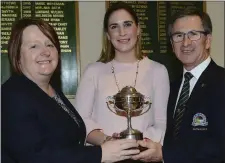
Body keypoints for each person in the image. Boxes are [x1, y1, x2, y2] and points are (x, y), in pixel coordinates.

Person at [1, 18, 141, 163]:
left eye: (50, 44)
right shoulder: (11, 95)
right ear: (17, 56)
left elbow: (68, 141)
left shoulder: (52, 91)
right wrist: (100, 154)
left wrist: (107, 142)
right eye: (34, 46)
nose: (45, 52)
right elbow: (35, 156)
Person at [75, 2, 169, 162]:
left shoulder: (158, 71)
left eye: (127, 24)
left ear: (138, 29)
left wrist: (135, 145)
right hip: (104, 157)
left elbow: (161, 122)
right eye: (114, 27)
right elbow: (80, 120)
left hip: (143, 156)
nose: (122, 32)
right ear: (107, 35)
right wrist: (107, 141)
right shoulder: (93, 71)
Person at [161, 9, 225, 163]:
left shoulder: (222, 82)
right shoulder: (172, 87)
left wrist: (165, 155)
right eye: (178, 35)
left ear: (208, 40)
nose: (185, 42)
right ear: (171, 44)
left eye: (193, 34)